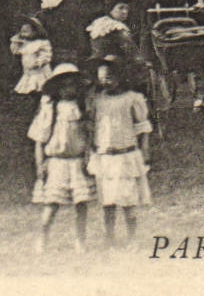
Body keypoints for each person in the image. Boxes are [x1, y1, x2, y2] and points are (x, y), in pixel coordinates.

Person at [29, 63, 95, 253]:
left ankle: (80, 240)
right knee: (51, 204)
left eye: (72, 85)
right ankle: (42, 237)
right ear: (57, 89)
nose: (69, 89)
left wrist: (88, 157)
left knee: (81, 204)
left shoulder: (82, 108)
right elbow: (39, 140)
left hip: (78, 162)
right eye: (64, 86)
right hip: (56, 163)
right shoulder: (50, 109)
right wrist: (40, 164)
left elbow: (88, 137)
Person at [89, 55, 152, 246]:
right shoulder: (97, 100)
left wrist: (145, 150)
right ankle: (110, 237)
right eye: (102, 78)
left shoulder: (132, 99)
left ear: (121, 76)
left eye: (110, 77)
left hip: (126, 156)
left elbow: (142, 126)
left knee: (128, 199)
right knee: (108, 201)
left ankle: (132, 238)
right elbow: (94, 126)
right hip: (105, 157)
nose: (106, 82)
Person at [9, 13, 55, 111]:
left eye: (27, 31)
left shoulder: (42, 43)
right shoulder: (25, 43)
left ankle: (41, 106)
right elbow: (15, 51)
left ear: (35, 31)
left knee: (40, 88)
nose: (24, 33)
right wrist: (16, 40)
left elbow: (46, 54)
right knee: (31, 89)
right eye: (22, 31)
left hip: (39, 71)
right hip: (29, 71)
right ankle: (35, 106)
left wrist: (39, 62)